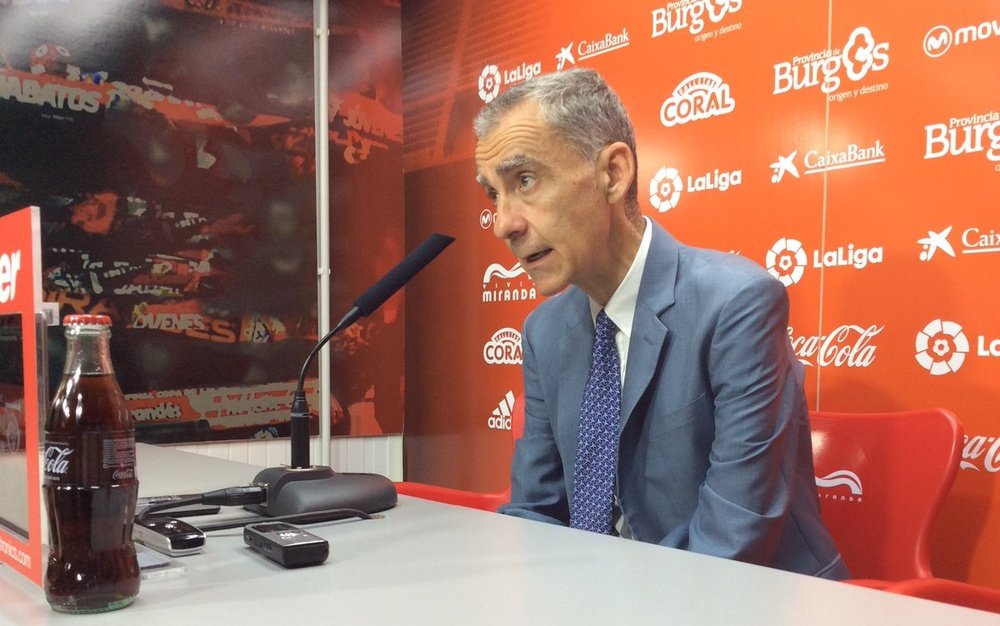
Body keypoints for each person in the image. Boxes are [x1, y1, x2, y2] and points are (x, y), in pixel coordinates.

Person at [473, 68, 849, 580]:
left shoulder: (737, 303)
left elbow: (732, 540)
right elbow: (536, 512)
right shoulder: (543, 332)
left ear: (613, 173)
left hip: (752, 600)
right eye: (494, 194)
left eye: (526, 181)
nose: (503, 223)